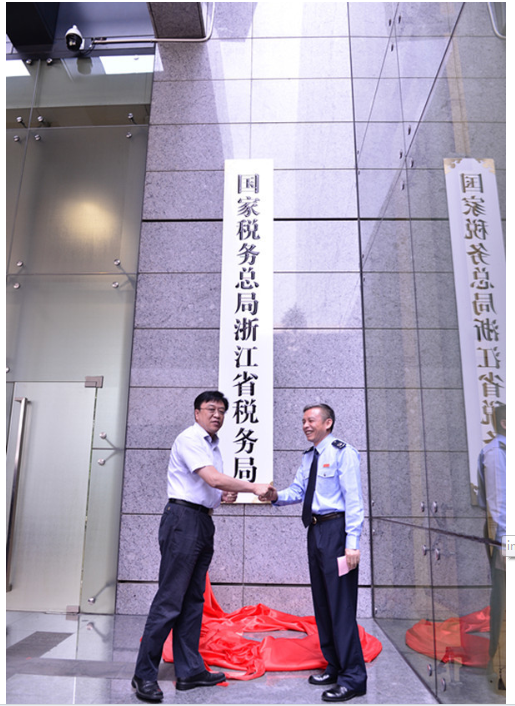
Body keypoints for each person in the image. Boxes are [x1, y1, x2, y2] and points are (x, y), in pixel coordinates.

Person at [131, 390, 272, 703]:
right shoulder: (190, 438)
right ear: (197, 412)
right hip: (182, 521)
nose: (217, 415)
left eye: (222, 410)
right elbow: (214, 478)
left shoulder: (213, 445)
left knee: (194, 600)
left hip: (201, 521)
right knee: (169, 600)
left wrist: (222, 496)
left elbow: (211, 485)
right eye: (211, 409)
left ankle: (190, 671)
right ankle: (143, 674)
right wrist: (251, 487)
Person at [259, 404, 367, 703]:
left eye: (311, 420)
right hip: (316, 531)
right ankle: (334, 666)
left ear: (327, 423)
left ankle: (353, 678)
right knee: (323, 603)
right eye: (303, 421)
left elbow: (354, 499)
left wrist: (352, 542)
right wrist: (275, 496)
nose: (305, 425)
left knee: (341, 605)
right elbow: (298, 492)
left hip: (337, 532)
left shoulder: (343, 452)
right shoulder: (309, 457)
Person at [477, 403, 506, 690]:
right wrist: (508, 545)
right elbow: (498, 508)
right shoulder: (497, 453)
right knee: (504, 601)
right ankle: (500, 670)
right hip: (506, 537)